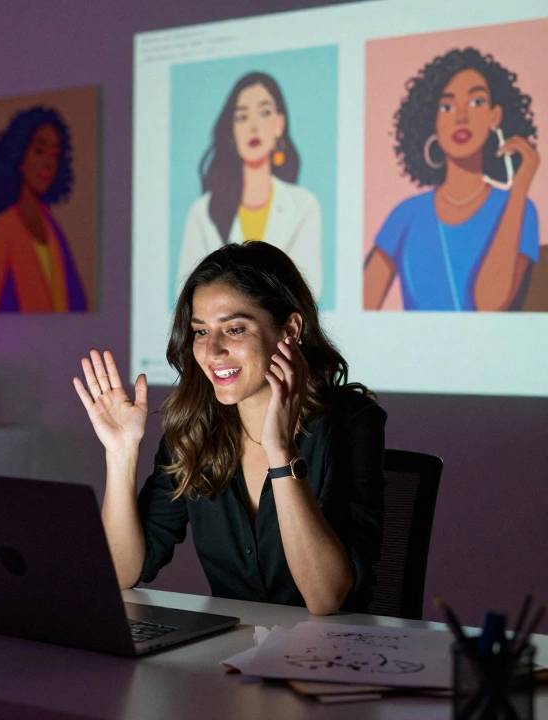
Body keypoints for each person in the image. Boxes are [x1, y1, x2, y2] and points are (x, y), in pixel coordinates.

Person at [75, 242, 383, 615]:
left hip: (328, 655)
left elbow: (325, 598)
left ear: (290, 329)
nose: (212, 351)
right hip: (230, 660)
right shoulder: (194, 428)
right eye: (201, 332)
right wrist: (121, 455)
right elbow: (121, 573)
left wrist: (281, 451)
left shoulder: (351, 421)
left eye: (235, 329)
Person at [365, 47, 539, 311]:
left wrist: (521, 185)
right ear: (432, 121)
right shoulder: (406, 214)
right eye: (446, 106)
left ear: (495, 116)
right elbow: (360, 305)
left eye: (476, 102)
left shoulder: (520, 208)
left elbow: (489, 304)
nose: (461, 117)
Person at [179, 73, 323, 301]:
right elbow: (188, 294)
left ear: (279, 124)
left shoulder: (304, 205)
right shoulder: (202, 210)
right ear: (231, 131)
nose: (254, 127)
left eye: (264, 113)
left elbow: (307, 292)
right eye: (242, 116)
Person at [0, 105, 88, 313]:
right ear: (19, 155)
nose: (48, 163)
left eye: (54, 155)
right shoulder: (6, 228)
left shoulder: (52, 227)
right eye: (39, 151)